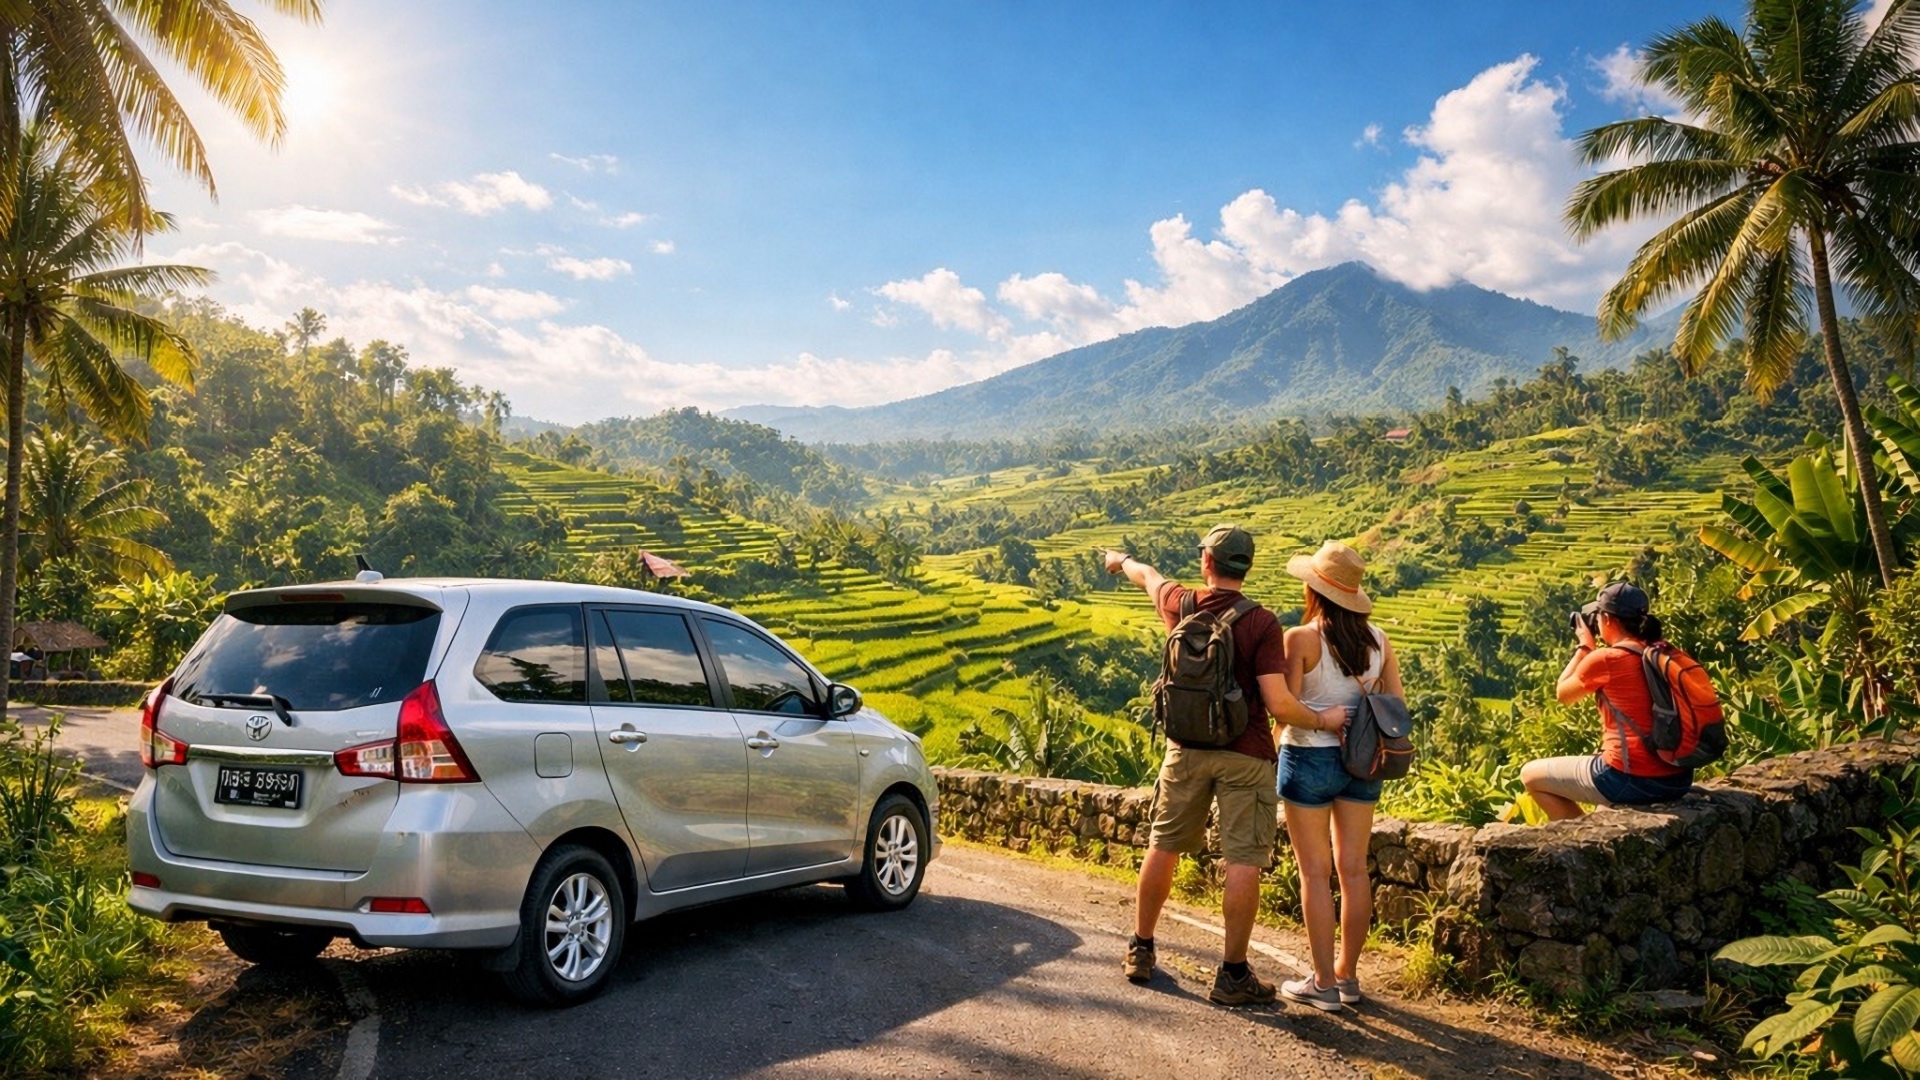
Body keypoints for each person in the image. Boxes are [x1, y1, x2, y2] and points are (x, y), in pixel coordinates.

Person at [1104, 525, 1344, 1006]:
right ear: (1246, 566)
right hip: (1246, 754)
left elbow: (1146, 576)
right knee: (1242, 860)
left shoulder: (1180, 602)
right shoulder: (1262, 623)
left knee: (1164, 845)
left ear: (1207, 563)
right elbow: (1278, 704)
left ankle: (1141, 948)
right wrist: (1323, 719)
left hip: (1184, 748)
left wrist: (1120, 560)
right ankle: (1232, 975)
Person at [1274, 541, 1399, 1013]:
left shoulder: (1301, 639)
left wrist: (1323, 719)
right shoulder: (1380, 641)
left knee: (1314, 873)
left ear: (1315, 589)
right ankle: (1348, 976)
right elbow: (1394, 706)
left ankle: (1322, 981)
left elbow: (1285, 708)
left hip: (1310, 758)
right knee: (1353, 870)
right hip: (1364, 761)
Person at [1520, 581, 1694, 820]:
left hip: (1631, 780)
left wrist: (1584, 646)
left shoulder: (1607, 659)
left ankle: (1579, 840)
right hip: (1678, 779)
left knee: (1530, 776)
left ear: (1608, 620)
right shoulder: (1665, 652)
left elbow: (1563, 693)